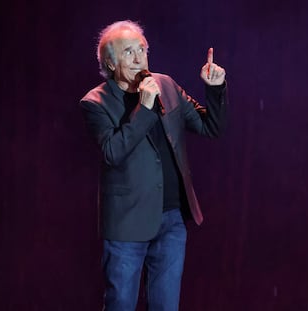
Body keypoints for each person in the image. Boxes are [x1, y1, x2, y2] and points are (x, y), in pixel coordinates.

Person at [79, 19, 227, 311]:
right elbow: (113, 152)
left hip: (171, 219)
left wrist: (216, 88)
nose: (138, 58)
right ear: (109, 63)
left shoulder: (166, 85)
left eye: (142, 49)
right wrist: (144, 109)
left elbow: (211, 127)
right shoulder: (95, 102)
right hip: (127, 223)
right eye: (128, 52)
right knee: (121, 303)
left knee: (166, 305)